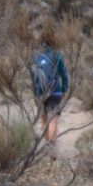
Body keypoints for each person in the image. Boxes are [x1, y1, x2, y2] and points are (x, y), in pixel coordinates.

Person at [30, 18, 69, 148]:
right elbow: (64, 75)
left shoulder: (35, 56)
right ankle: (52, 147)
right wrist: (64, 89)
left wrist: (36, 92)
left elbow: (33, 75)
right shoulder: (57, 55)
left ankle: (47, 146)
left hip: (40, 92)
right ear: (53, 40)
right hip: (55, 91)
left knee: (44, 119)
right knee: (53, 120)